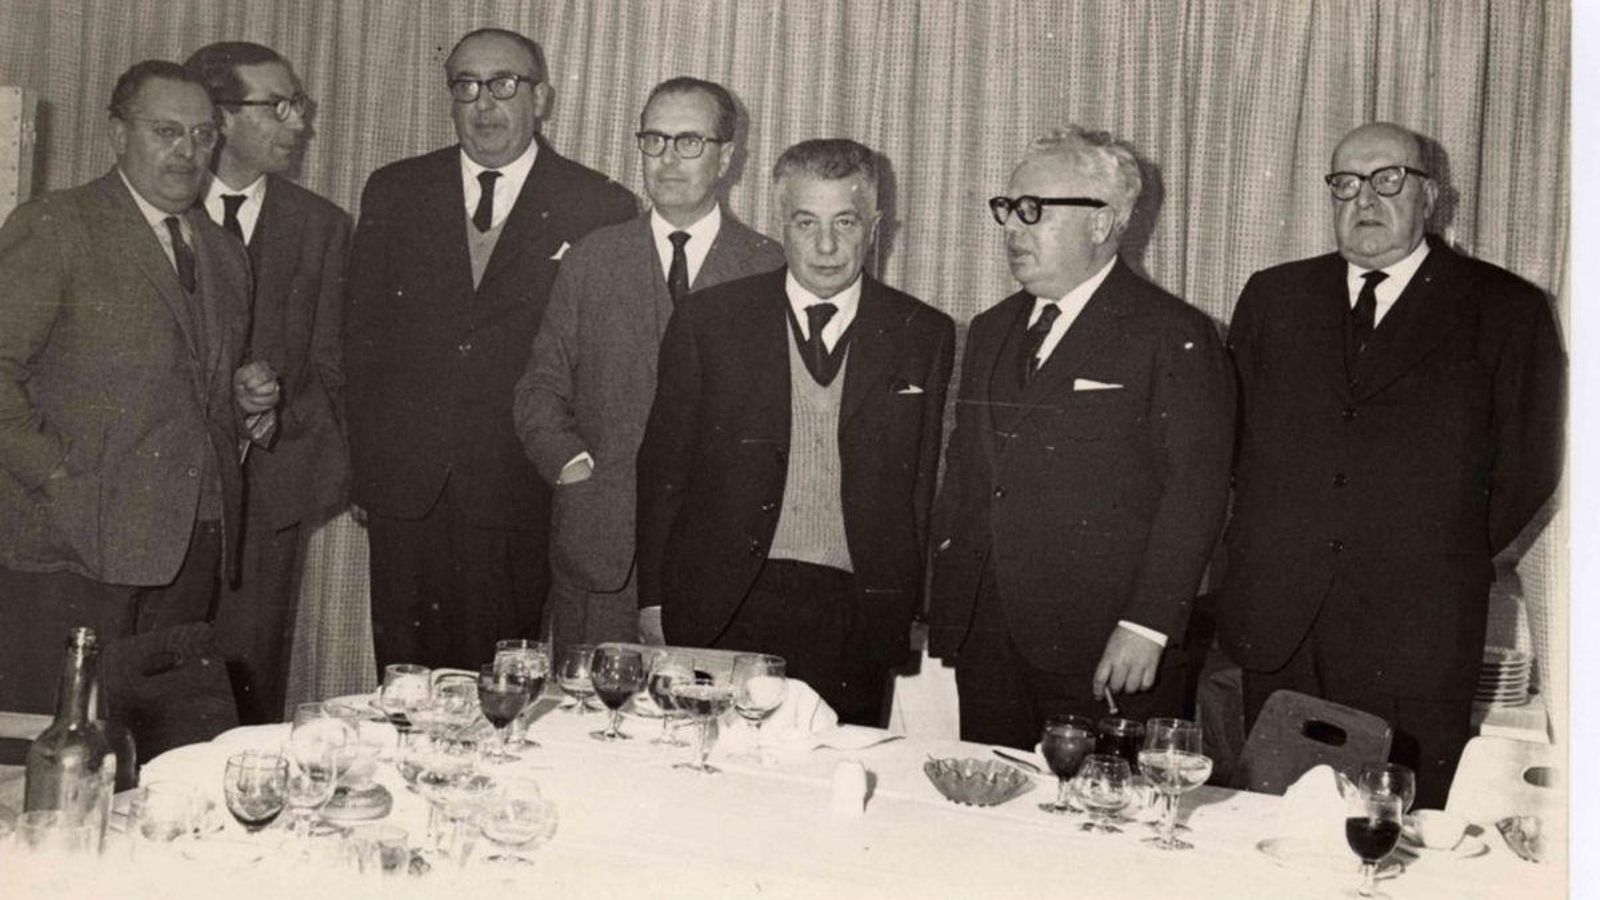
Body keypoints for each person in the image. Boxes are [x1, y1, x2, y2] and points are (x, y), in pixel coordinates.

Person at [1219, 122, 1564, 807]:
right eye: (1345, 183)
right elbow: (1234, 446)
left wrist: (1436, 546)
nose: (1364, 199)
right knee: (1269, 827)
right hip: (1283, 624)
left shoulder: (1505, 307)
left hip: (1417, 629)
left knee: (1397, 835)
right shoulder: (1274, 297)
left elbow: (1535, 461)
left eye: (1388, 180)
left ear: (1431, 197)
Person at [926, 126, 1234, 748]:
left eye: (1034, 211)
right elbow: (968, 477)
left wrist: (1147, 624)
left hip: (1108, 649)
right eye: (1008, 209)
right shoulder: (990, 329)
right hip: (992, 638)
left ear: (1103, 223)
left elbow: (1197, 493)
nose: (1014, 228)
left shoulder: (1174, 334)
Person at [344, 28, 635, 670]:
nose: (484, 104)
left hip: (519, 489)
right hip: (405, 493)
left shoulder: (599, 205)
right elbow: (358, 342)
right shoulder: (395, 190)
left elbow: (604, 369)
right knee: (402, 683)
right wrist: (364, 465)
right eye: (466, 86)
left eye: (504, 85)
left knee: (500, 685)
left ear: (542, 97)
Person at [637, 138, 954, 726]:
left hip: (854, 612)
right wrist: (654, 599)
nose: (827, 246)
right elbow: (663, 470)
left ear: (876, 226)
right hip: (723, 601)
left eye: (846, 222)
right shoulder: (711, 320)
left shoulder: (922, 333)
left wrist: (907, 609)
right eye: (807, 223)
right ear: (781, 224)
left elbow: (919, 491)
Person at [0, 60, 278, 718]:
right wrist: (56, 474)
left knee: (152, 757)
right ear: (117, 135)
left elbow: (192, 390)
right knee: (50, 750)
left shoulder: (222, 253)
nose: (187, 151)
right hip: (70, 550)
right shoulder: (57, 225)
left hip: (189, 548)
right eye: (165, 131)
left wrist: (245, 406)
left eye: (204, 134)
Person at [514, 77, 783, 654]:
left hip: (721, 565)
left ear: (727, 156)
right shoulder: (593, 258)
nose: (668, 159)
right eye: (654, 140)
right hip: (602, 552)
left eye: (689, 142)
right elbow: (539, 389)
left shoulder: (768, 267)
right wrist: (573, 470)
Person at [182, 42, 352, 724]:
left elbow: (333, 366)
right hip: (164, 501)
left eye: (300, 105)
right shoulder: (164, 212)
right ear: (218, 118)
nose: (300, 124)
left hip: (268, 500)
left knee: (248, 697)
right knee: (151, 686)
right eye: (279, 106)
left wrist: (278, 422)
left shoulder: (322, 226)